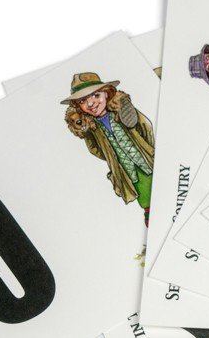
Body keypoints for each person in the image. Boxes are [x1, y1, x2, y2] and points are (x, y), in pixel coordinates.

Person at [61, 71, 155, 224]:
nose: (91, 104)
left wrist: (150, 146)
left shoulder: (121, 112)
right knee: (139, 187)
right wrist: (89, 136)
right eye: (83, 101)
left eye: (96, 96)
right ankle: (149, 211)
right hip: (125, 166)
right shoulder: (93, 128)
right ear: (78, 106)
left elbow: (146, 126)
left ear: (106, 93)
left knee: (155, 178)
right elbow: (95, 150)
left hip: (145, 156)